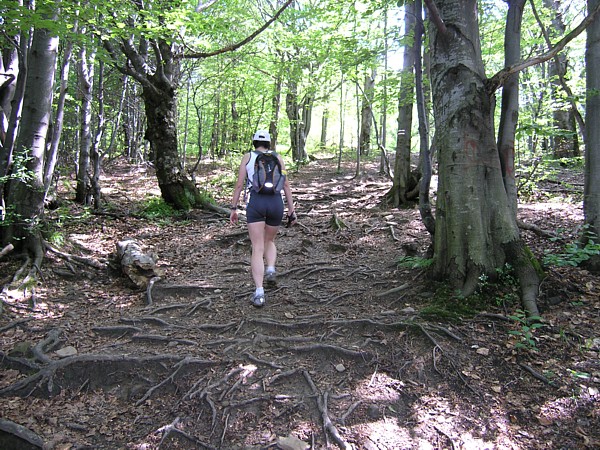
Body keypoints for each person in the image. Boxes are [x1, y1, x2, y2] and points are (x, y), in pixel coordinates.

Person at [230, 130, 297, 307]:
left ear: (254, 143)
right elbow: (286, 185)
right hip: (276, 203)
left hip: (256, 203)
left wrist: (234, 208)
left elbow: (239, 185)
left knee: (257, 247)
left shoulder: (248, 157)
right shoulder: (277, 157)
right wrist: (291, 210)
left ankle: (259, 293)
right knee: (270, 240)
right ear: (269, 143)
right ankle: (271, 269)